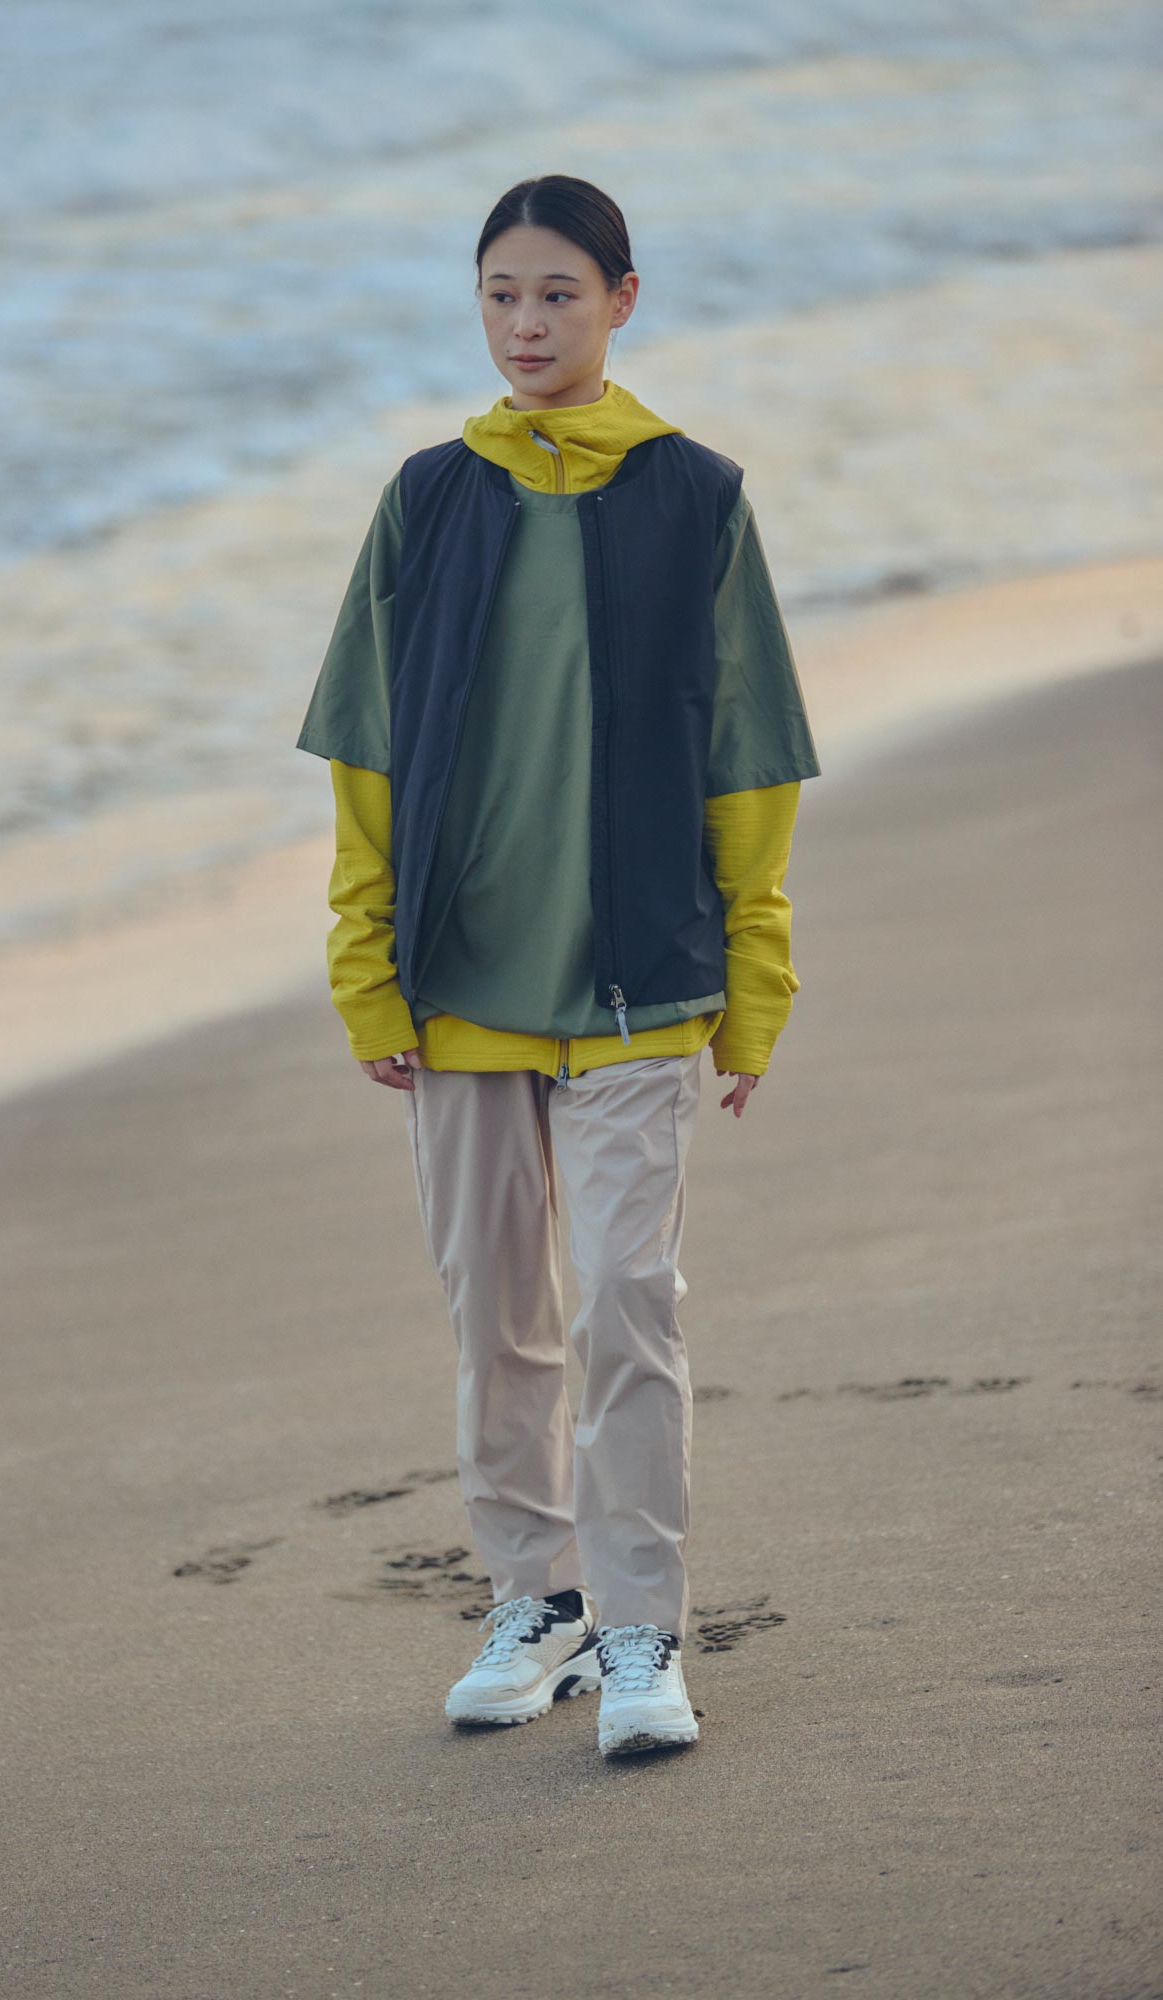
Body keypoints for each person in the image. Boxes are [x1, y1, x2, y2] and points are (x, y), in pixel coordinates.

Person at [295, 174, 821, 1759]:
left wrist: (753, 983)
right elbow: (366, 758)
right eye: (500, 296)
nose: (525, 326)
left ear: (620, 301)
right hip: (458, 987)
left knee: (626, 1309)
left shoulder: (694, 498)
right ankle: (538, 1600)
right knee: (497, 1324)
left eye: (557, 295)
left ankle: (644, 1629)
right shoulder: (427, 499)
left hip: (637, 981)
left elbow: (749, 757)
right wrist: (366, 969)